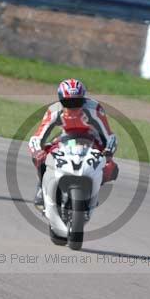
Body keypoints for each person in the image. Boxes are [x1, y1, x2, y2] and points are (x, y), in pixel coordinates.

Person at [28, 79, 118, 207]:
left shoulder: (94, 109)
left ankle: (94, 189)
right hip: (65, 141)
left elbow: (110, 136)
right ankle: (42, 188)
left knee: (111, 168)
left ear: (84, 99)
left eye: (77, 101)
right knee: (41, 158)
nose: (73, 106)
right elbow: (37, 137)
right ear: (60, 100)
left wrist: (108, 153)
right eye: (68, 102)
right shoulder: (54, 111)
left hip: (92, 142)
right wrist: (37, 151)